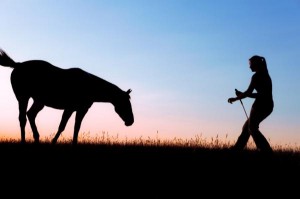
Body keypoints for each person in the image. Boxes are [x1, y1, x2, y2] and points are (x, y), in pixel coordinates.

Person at [228, 55, 274, 154]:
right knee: (247, 127)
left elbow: (251, 93)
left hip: (261, 106)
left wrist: (236, 98)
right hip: (268, 105)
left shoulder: (257, 76)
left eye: (251, 64)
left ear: (256, 64)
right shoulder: (265, 74)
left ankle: (265, 150)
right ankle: (237, 149)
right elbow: (252, 93)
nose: (249, 67)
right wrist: (242, 95)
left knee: (252, 127)